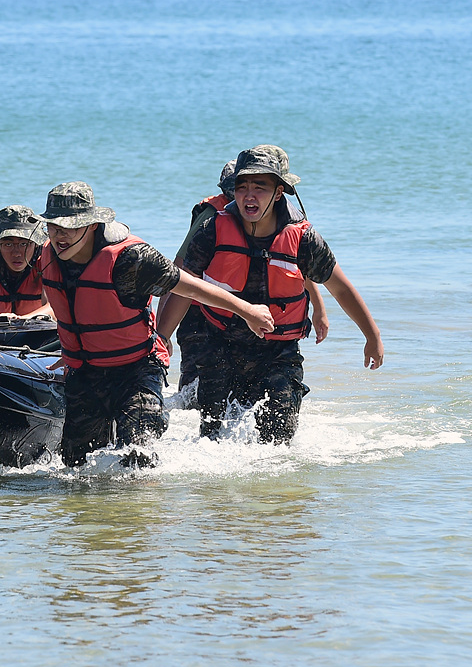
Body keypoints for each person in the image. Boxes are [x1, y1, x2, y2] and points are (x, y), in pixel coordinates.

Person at [37, 181, 275, 467]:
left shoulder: (132, 259)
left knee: (138, 459)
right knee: (77, 468)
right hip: (86, 372)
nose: (59, 235)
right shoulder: (48, 255)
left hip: (136, 370)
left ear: (91, 225)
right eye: (53, 226)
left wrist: (247, 310)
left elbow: (189, 286)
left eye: (69, 227)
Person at [157, 145, 384, 443]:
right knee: (211, 441)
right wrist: (161, 338)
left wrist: (372, 337)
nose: (249, 195)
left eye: (260, 187)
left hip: (278, 352)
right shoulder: (212, 229)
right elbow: (183, 286)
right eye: (242, 187)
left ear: (279, 192)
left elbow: (339, 286)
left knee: (279, 444)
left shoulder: (303, 238)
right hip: (220, 345)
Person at [155, 159, 330, 399]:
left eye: (257, 188)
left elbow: (294, 267)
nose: (246, 199)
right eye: (238, 190)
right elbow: (180, 271)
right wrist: (162, 333)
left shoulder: (278, 220)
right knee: (196, 387)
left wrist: (319, 308)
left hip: (252, 319)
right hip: (200, 314)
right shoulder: (212, 220)